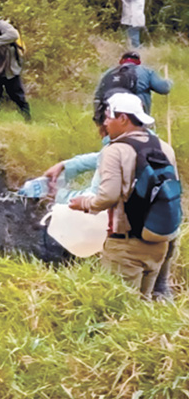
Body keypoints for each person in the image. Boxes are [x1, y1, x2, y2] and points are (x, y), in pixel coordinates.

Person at [68, 93, 177, 296]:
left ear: (123, 119)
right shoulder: (165, 147)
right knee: (143, 309)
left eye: (109, 116)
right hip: (159, 242)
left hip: (126, 245)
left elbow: (107, 197)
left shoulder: (115, 150)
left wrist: (83, 203)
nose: (106, 123)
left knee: (119, 309)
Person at [43, 136, 177, 301]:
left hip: (138, 237)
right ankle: (159, 294)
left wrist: (59, 195)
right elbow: (98, 158)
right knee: (156, 287)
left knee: (125, 297)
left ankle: (138, 308)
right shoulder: (151, 142)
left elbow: (98, 198)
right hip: (167, 227)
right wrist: (67, 165)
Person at [91, 51, 171, 125]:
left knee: (111, 138)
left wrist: (98, 119)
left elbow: (98, 96)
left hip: (110, 117)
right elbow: (163, 89)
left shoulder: (109, 73)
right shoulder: (145, 71)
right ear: (138, 62)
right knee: (143, 137)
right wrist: (168, 83)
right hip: (136, 118)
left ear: (121, 61)